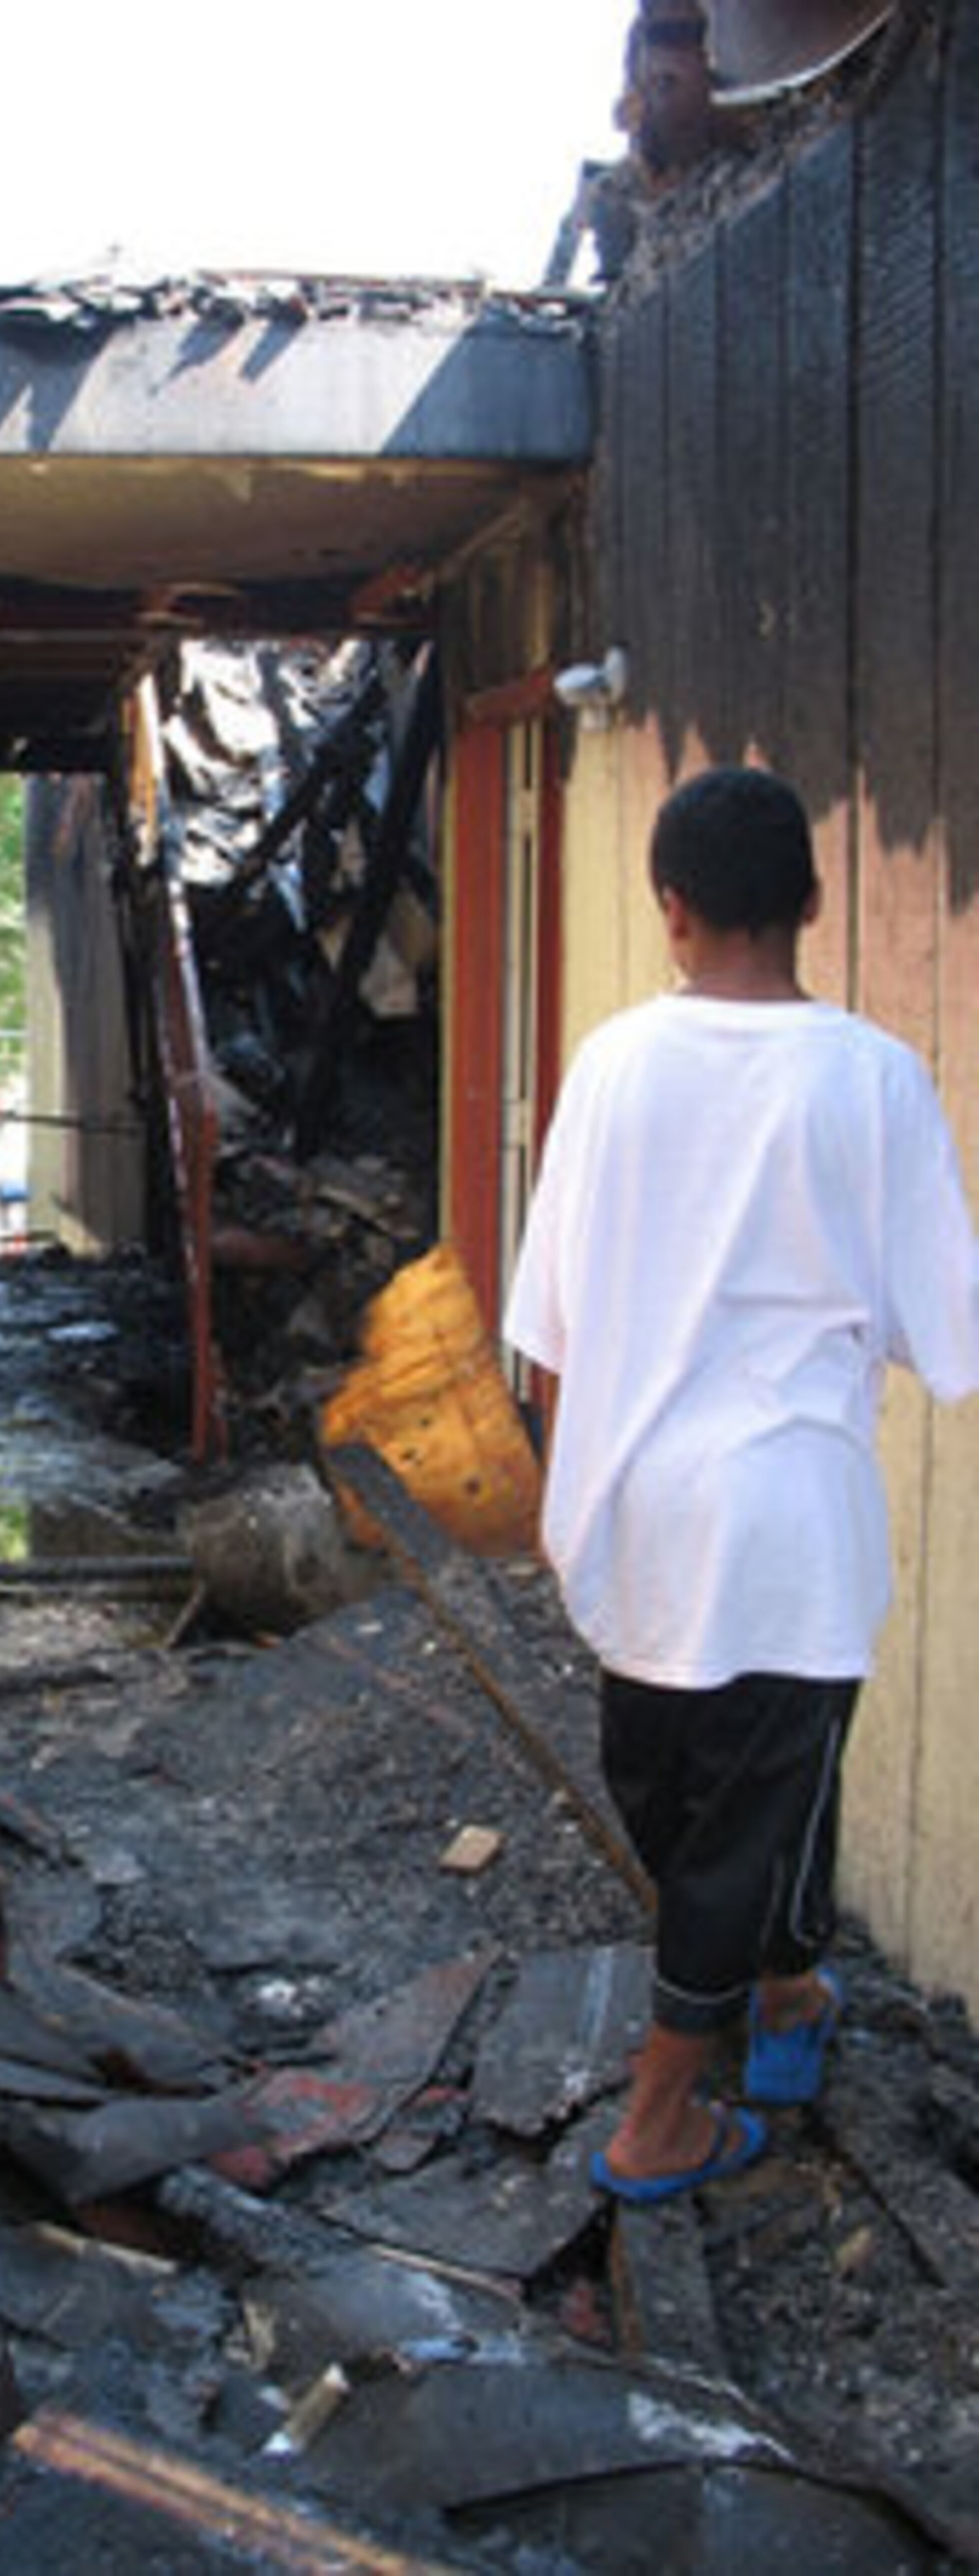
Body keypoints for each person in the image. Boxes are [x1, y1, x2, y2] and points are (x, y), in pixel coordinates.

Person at [503, 766, 979, 2202]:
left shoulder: (611, 1066)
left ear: (673, 909)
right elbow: (942, 1331)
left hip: (638, 1508)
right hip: (784, 1519)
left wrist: (563, 1488)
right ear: (811, 907)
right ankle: (671, 2115)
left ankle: (768, 2018)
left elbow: (553, 1326)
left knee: (691, 1799)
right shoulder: (875, 1077)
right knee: (750, 1813)